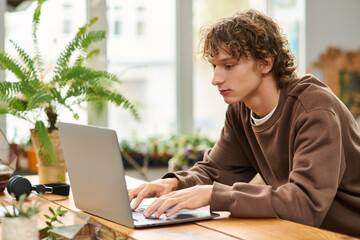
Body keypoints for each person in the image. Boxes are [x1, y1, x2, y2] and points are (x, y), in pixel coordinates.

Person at [128, 9, 360, 237]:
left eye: (228, 66)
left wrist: (214, 195)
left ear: (266, 63)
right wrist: (174, 184)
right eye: (214, 66)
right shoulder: (240, 109)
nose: (216, 79)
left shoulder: (313, 109)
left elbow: (305, 205)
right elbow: (217, 171)